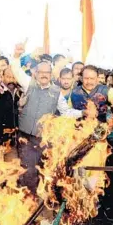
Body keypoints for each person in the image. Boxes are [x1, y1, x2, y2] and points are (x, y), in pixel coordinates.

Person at [11, 42, 85, 192]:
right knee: (27, 172)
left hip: (44, 140)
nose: (44, 75)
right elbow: (16, 70)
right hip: (25, 138)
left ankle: (40, 205)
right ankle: (26, 205)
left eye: (47, 72)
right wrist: (17, 56)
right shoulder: (28, 84)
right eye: (41, 72)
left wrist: (83, 113)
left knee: (43, 173)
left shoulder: (56, 92)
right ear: (35, 73)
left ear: (51, 75)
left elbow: (67, 112)